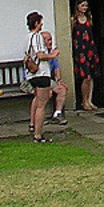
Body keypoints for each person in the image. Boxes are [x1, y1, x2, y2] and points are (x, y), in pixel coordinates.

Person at [24, 11, 59, 143]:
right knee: (42, 105)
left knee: (38, 100)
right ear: (36, 23)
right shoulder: (37, 37)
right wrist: (53, 55)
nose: (42, 25)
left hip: (32, 74)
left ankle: (33, 126)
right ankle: (38, 135)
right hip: (41, 73)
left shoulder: (27, 37)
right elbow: (40, 55)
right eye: (40, 22)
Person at [70, 0, 101, 111]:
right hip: (80, 51)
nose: (84, 8)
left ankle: (90, 100)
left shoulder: (89, 18)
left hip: (90, 50)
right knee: (85, 76)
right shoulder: (74, 19)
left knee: (91, 76)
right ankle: (84, 101)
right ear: (77, 6)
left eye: (86, 6)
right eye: (82, 5)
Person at [40, 30, 68, 125]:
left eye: (51, 40)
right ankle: (40, 116)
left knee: (62, 89)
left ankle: (57, 114)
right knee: (46, 93)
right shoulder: (39, 54)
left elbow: (56, 68)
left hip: (47, 80)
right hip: (35, 81)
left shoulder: (51, 54)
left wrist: (58, 80)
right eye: (48, 40)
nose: (51, 42)